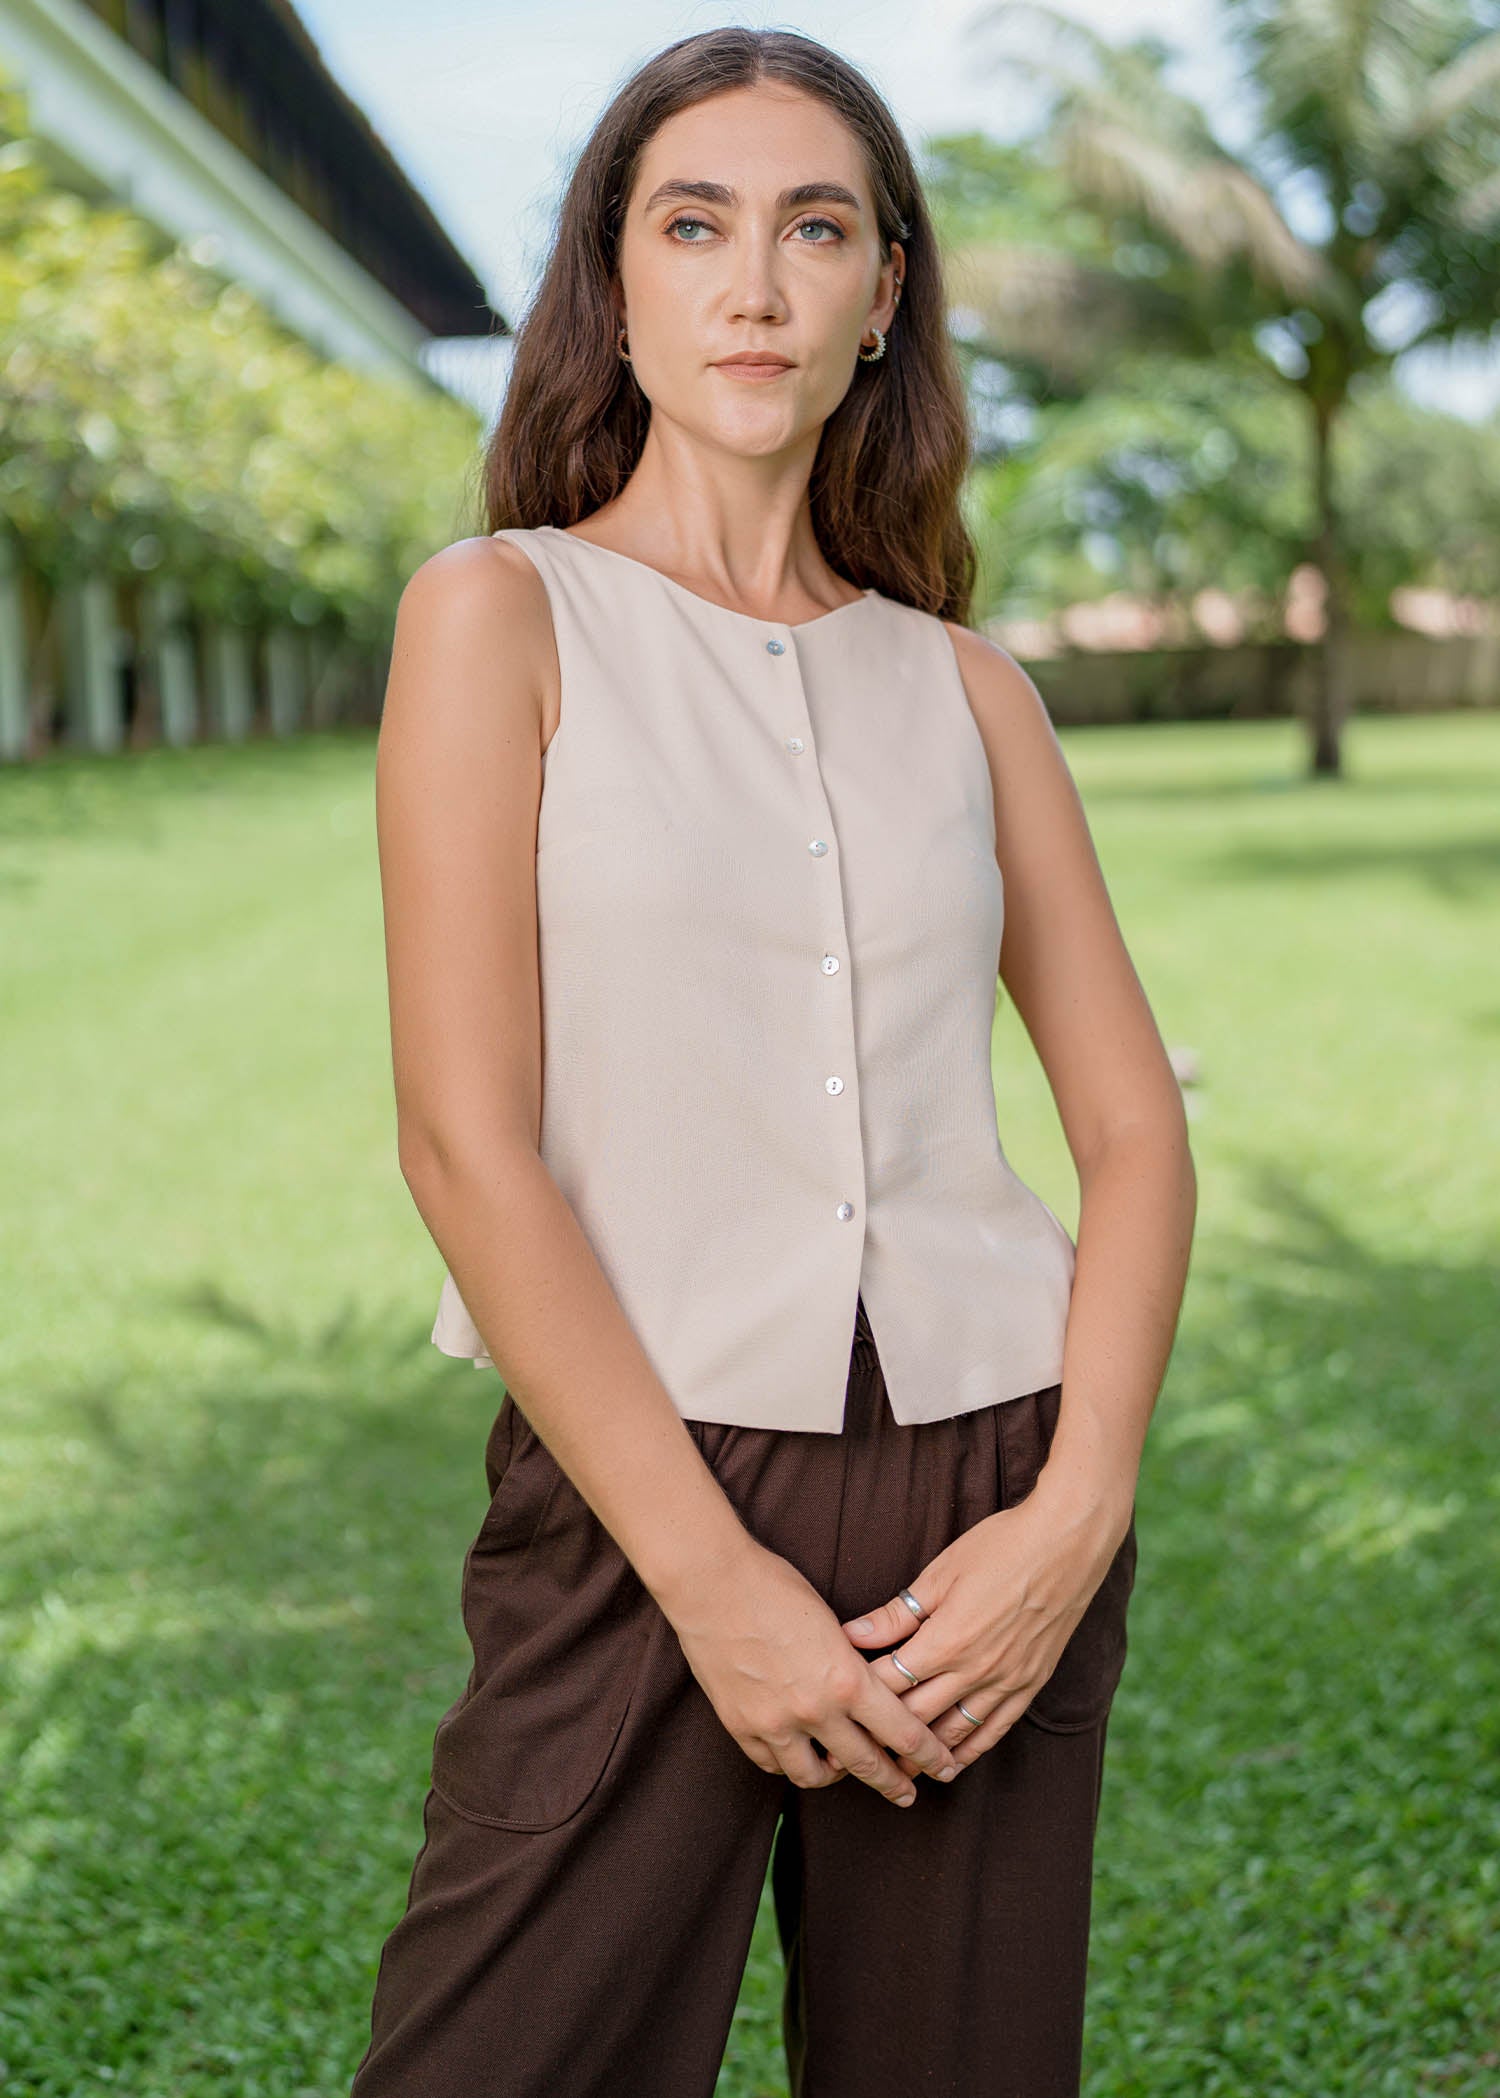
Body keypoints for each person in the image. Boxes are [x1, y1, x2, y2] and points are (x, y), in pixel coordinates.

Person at [350, 25, 1195, 2098]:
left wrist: (1074, 1512)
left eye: (816, 227)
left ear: (883, 289)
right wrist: (715, 1584)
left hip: (983, 1487)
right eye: (694, 224)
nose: (755, 283)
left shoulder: (972, 692)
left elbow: (1131, 1127)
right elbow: (467, 1146)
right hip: (649, 1471)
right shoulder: (498, 617)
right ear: (612, 287)